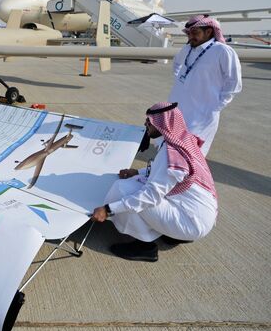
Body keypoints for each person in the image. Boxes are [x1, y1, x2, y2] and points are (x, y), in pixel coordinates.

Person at [91, 102, 218, 262]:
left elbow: (150, 197)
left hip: (191, 223)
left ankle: (145, 246)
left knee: (124, 189)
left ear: (162, 124)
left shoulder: (170, 152)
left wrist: (108, 209)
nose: (146, 124)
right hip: (197, 216)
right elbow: (170, 174)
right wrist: (138, 172)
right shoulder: (182, 139)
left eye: (150, 121)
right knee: (137, 181)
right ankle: (173, 234)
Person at [168, 14, 242, 155]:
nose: (190, 37)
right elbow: (176, 64)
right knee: (170, 150)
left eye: (195, 33)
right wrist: (180, 82)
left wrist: (215, 106)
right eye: (188, 33)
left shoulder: (223, 51)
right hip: (179, 110)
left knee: (191, 153)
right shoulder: (187, 49)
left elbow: (234, 83)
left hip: (202, 115)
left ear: (208, 32)